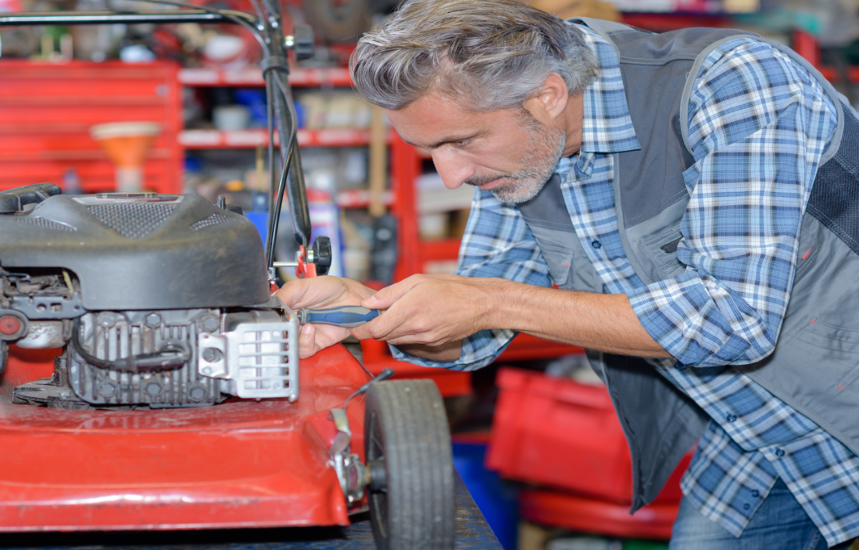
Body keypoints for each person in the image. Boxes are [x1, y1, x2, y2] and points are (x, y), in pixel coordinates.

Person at [275, 1, 859, 548]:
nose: (449, 175)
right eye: (431, 150)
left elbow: (734, 319)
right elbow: (475, 327)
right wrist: (371, 309)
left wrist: (494, 302)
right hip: (758, 438)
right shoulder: (519, 148)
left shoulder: (730, 82)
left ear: (548, 94)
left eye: (459, 142)